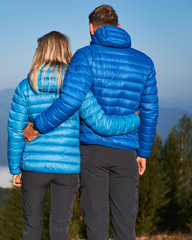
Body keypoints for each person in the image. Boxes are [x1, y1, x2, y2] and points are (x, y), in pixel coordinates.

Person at [23, 5, 159, 240]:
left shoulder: (85, 56)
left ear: (91, 28)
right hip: (127, 150)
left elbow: (70, 100)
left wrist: (37, 126)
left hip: (92, 151)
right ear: (118, 26)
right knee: (125, 220)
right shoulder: (144, 62)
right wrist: (143, 151)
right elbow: (150, 110)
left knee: (95, 219)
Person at [8, 31, 140, 240]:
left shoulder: (25, 87)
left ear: (39, 52)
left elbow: (16, 132)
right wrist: (134, 119)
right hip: (67, 169)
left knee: (31, 226)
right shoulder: (78, 89)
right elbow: (102, 124)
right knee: (60, 228)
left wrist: (15, 168)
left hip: (33, 166)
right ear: (67, 52)